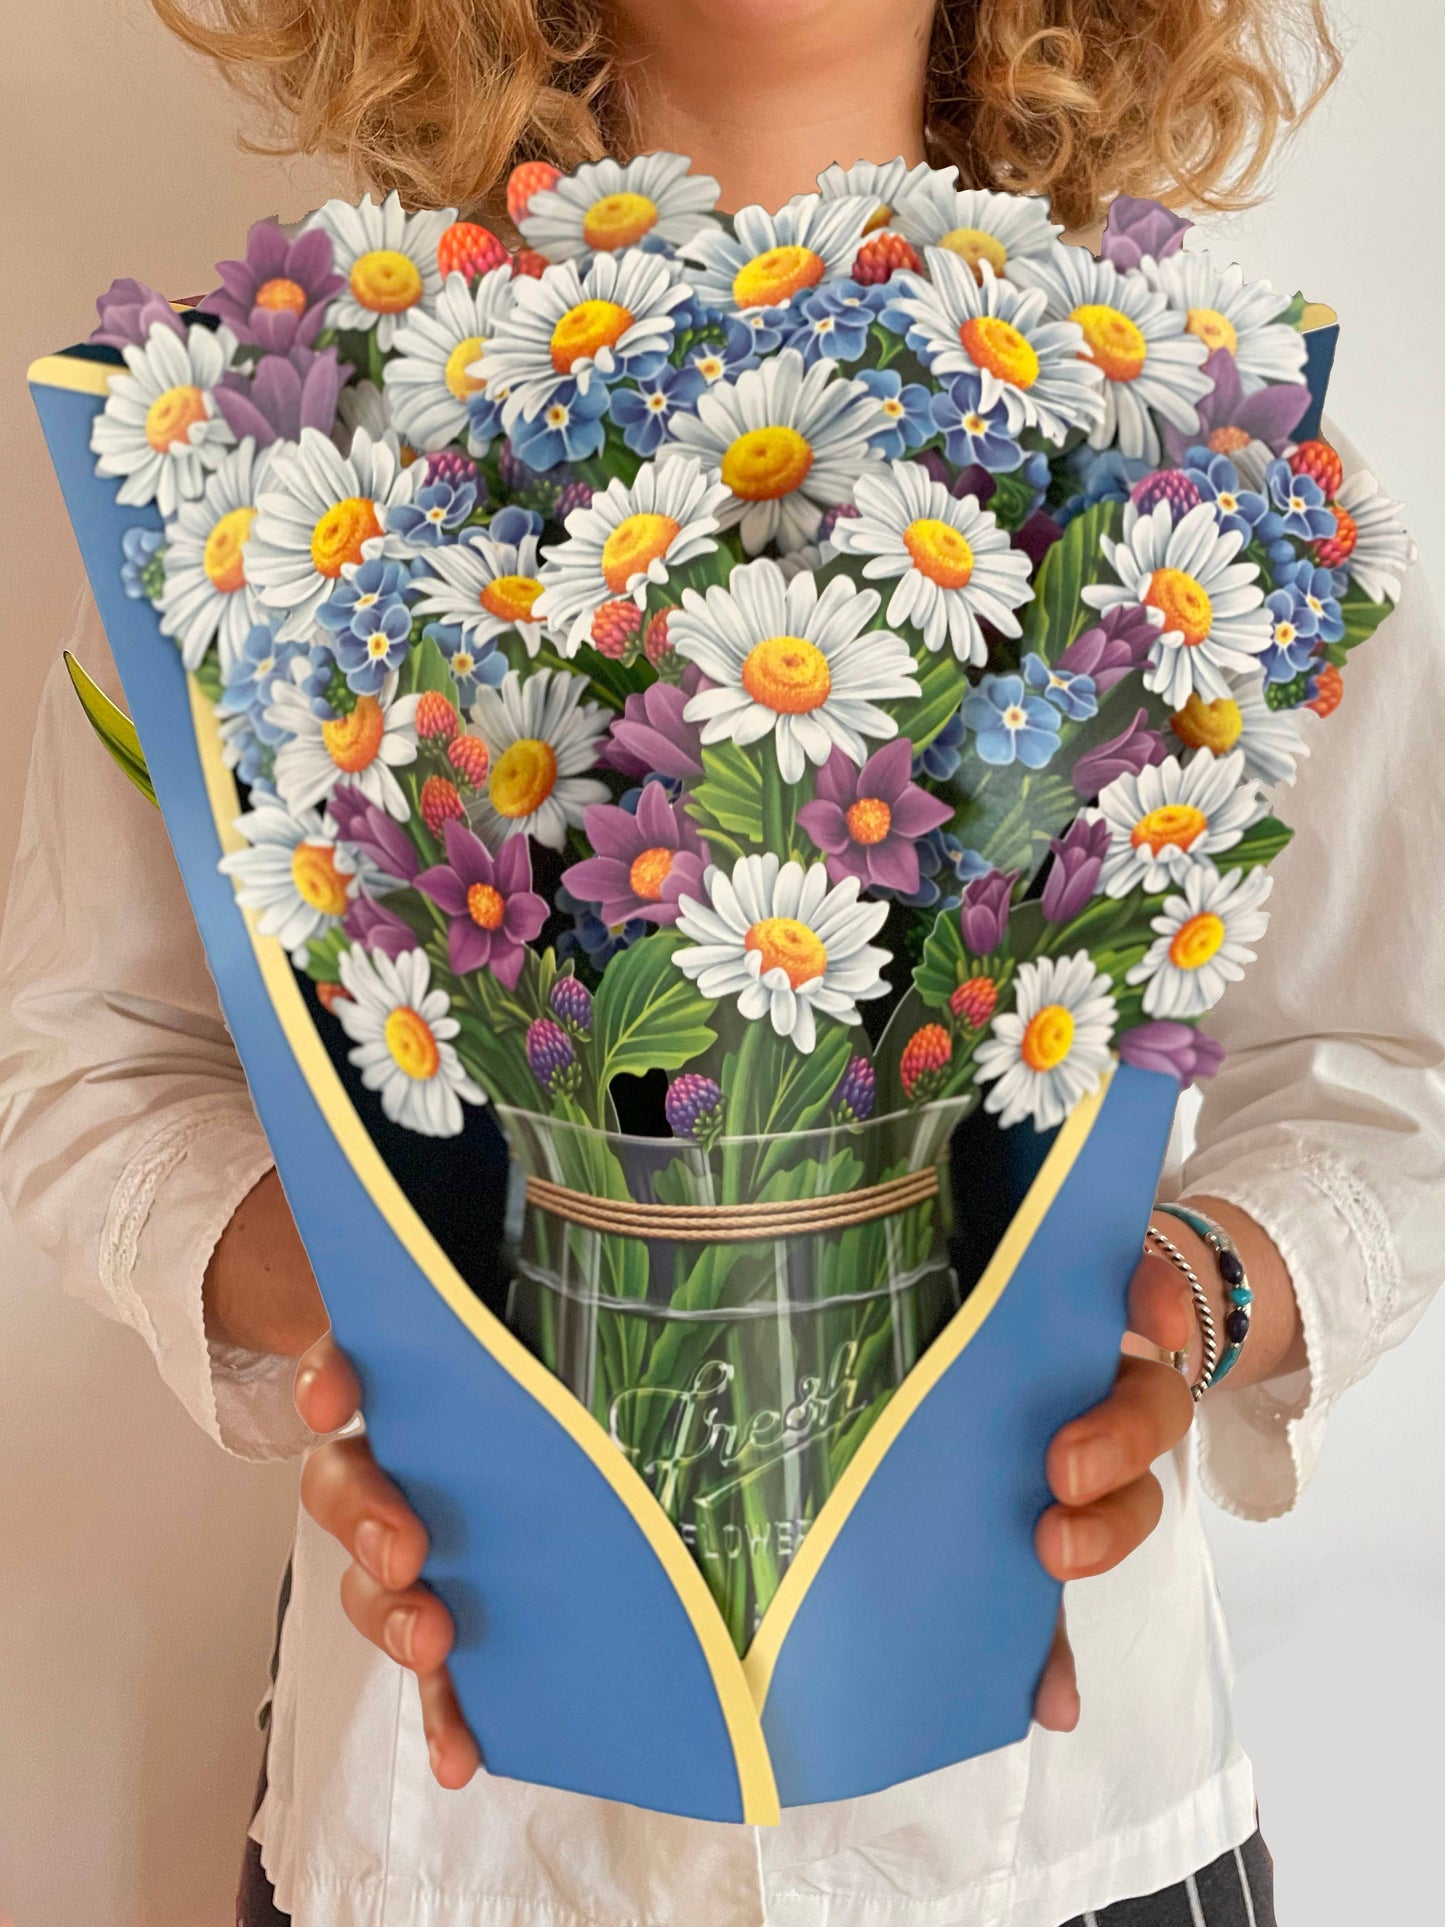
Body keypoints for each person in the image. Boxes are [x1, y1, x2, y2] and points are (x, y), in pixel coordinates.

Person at [3, 2, 1442, 1923]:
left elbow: (1383, 1059)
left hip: (1052, 1829)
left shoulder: (1218, 455)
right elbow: (88, 1056)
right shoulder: (259, 459)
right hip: (455, 1836)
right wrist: (372, 1346)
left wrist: (1176, 1299)